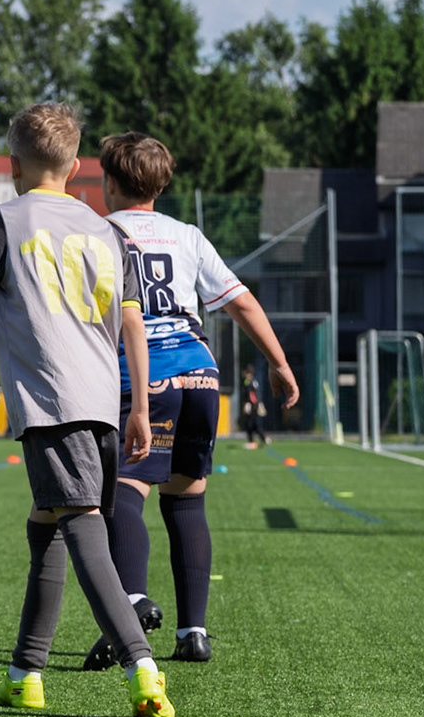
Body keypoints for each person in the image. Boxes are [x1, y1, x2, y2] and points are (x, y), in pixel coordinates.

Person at [0, 102, 174, 717]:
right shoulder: (109, 232)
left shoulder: (3, 221)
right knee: (44, 526)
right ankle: (25, 674)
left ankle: (141, 666)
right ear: (75, 169)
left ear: (12, 166)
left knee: (81, 524)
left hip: (51, 404)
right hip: (103, 402)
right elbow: (133, 325)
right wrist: (140, 408)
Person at [85, 133, 299, 669]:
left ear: (109, 182)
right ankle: (193, 632)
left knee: (122, 492)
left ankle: (132, 602)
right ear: (161, 185)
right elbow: (241, 302)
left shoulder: (98, 232)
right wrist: (279, 362)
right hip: (200, 374)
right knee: (186, 499)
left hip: (142, 375)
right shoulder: (186, 235)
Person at [239, 365, 267, 449]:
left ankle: (251, 441)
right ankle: (263, 438)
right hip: (254, 404)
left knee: (249, 423)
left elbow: (251, 394)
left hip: (252, 405)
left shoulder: (249, 381)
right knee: (253, 423)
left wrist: (248, 403)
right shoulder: (253, 381)